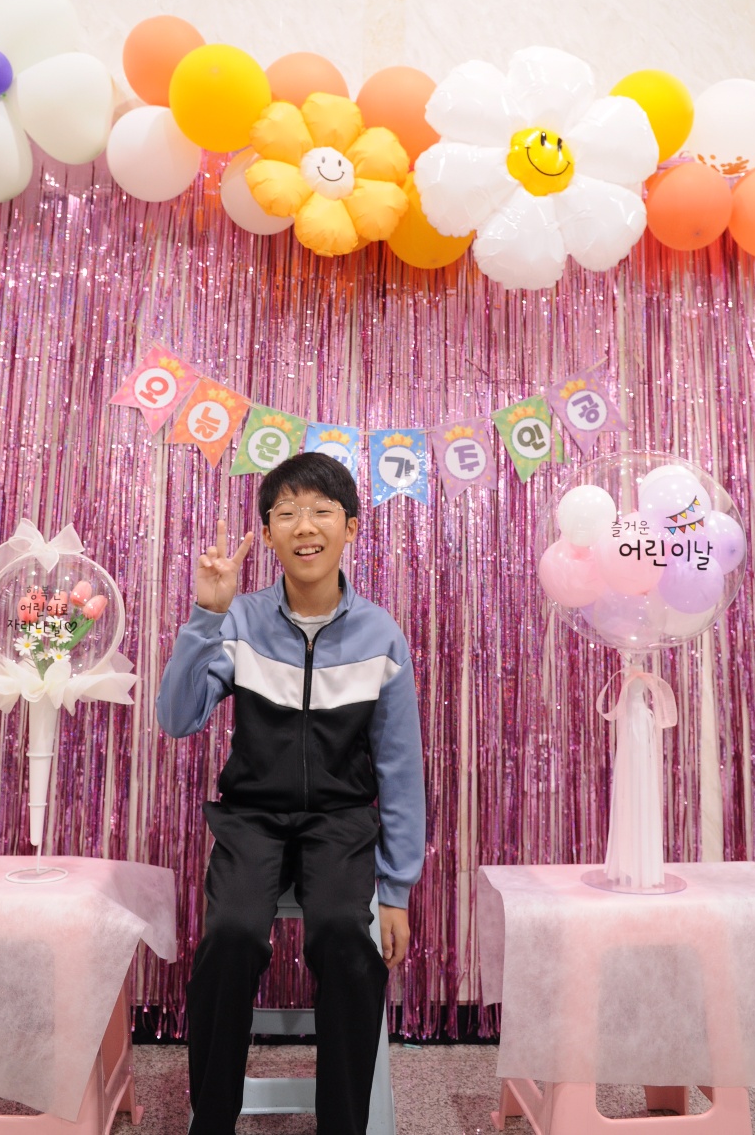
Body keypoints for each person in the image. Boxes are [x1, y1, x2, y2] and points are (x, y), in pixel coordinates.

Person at [157, 452, 426, 1135]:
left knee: (343, 935)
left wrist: (396, 889)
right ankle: (211, 1119)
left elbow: (400, 768)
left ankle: (343, 1124)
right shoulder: (240, 621)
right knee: (230, 935)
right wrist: (205, 616)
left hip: (341, 821)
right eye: (286, 514)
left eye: (321, 511)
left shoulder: (381, 635)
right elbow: (178, 718)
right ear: (269, 534)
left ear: (351, 528)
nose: (305, 526)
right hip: (251, 819)